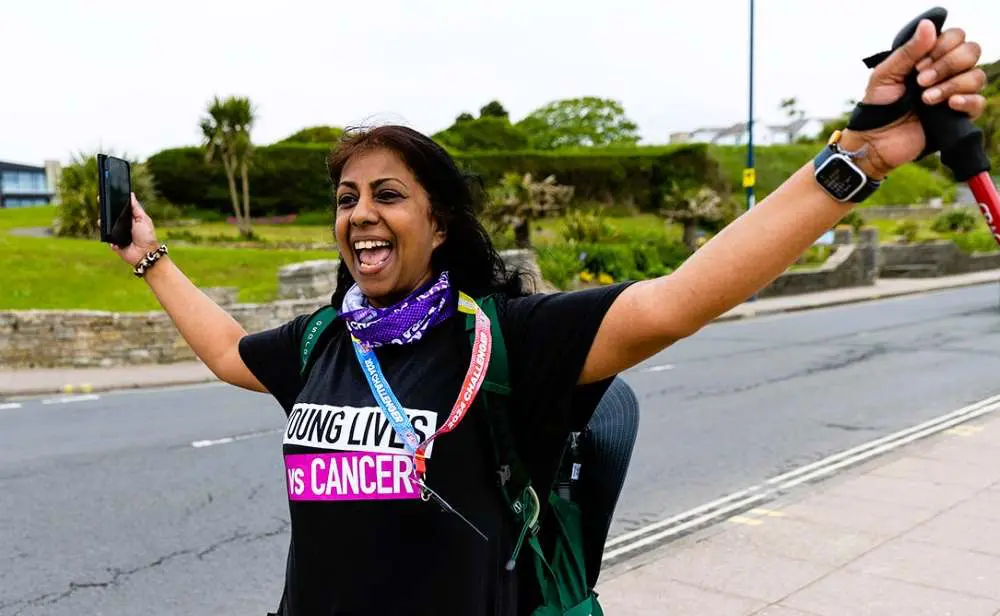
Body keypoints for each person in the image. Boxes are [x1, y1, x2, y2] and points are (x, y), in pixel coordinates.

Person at [110, 19, 988, 616]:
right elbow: (228, 351)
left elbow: (677, 298)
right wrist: (148, 255)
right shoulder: (318, 342)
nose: (361, 215)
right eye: (346, 198)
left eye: (388, 195)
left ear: (440, 223)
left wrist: (858, 158)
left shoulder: (505, 339)